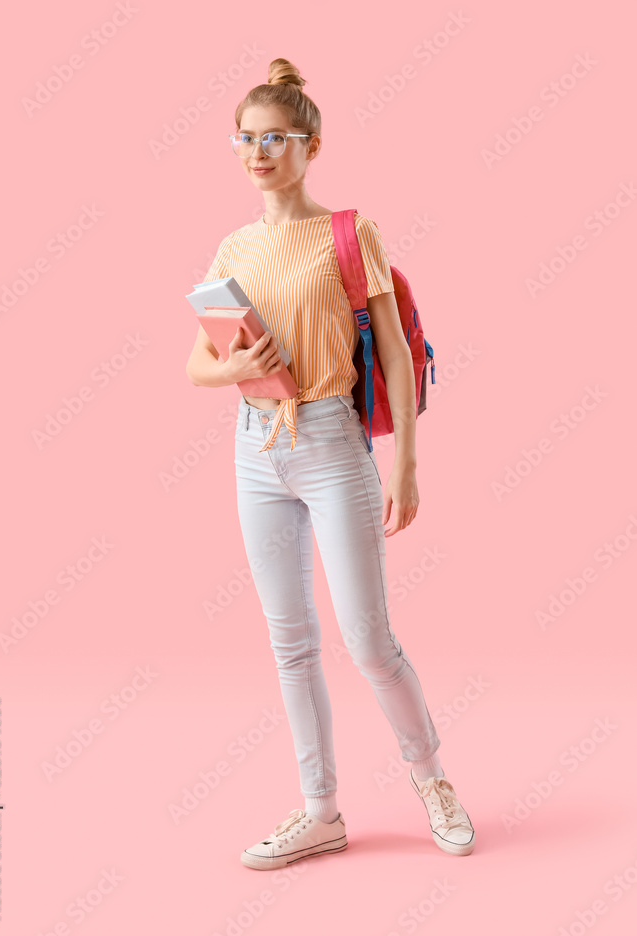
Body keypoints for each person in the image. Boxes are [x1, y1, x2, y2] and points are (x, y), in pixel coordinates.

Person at [186, 57, 475, 870]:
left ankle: (432, 781)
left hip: (329, 445)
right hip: (254, 449)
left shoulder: (350, 232)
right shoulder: (233, 246)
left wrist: (406, 466)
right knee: (290, 642)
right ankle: (319, 811)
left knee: (369, 640)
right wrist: (234, 370)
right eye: (245, 138)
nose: (257, 151)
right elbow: (196, 365)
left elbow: (393, 355)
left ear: (310, 145)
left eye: (274, 137)